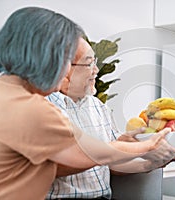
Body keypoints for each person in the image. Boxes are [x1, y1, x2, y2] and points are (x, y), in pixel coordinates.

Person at [0, 7, 175, 200]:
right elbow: (91, 153)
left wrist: (137, 152)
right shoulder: (32, 108)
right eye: (66, 58)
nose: (66, 69)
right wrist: (149, 145)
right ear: (47, 57)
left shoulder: (6, 93)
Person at [45, 36, 151, 199]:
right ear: (64, 68)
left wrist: (152, 161)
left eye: (95, 63)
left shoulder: (98, 106)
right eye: (89, 64)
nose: (96, 70)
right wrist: (113, 149)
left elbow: (113, 164)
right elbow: (50, 167)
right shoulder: (43, 107)